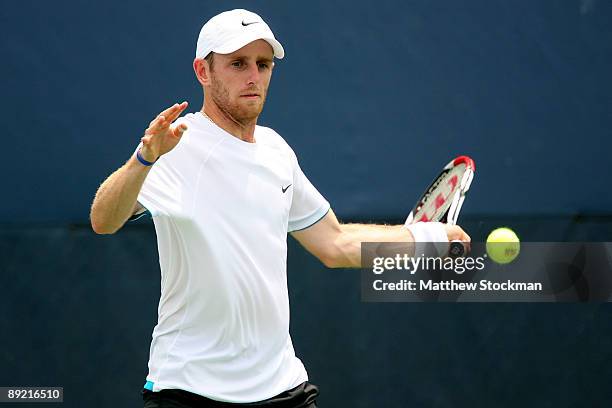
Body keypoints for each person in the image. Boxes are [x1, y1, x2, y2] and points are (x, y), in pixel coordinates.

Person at [90, 9, 470, 408]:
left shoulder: (276, 151)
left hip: (282, 389)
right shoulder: (176, 145)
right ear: (203, 71)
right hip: (190, 391)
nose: (253, 76)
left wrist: (426, 238)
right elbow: (103, 221)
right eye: (237, 64)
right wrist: (144, 159)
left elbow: (334, 243)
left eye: (263, 64)